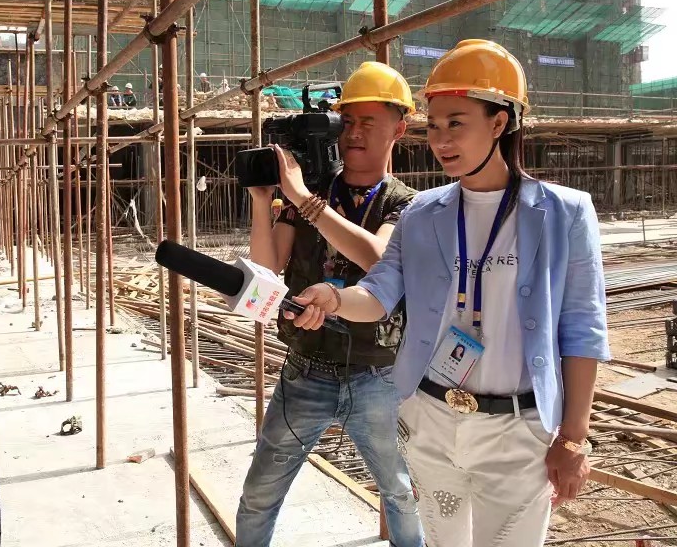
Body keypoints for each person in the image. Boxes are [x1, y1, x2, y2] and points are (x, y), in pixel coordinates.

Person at [288, 40, 609, 547]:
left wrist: (572, 437)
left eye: (456, 123)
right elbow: (379, 292)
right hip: (432, 421)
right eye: (434, 126)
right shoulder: (422, 213)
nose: (441, 140)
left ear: (499, 122)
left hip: (518, 431)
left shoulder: (563, 213)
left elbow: (582, 330)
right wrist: (334, 296)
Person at [236, 62, 425, 547]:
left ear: (399, 129)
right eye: (348, 121)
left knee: (401, 492)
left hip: (378, 375)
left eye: (369, 123)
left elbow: (377, 255)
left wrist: (304, 198)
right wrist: (263, 199)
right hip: (307, 370)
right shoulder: (311, 195)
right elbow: (267, 266)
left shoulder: (407, 204)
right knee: (260, 492)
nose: (354, 133)